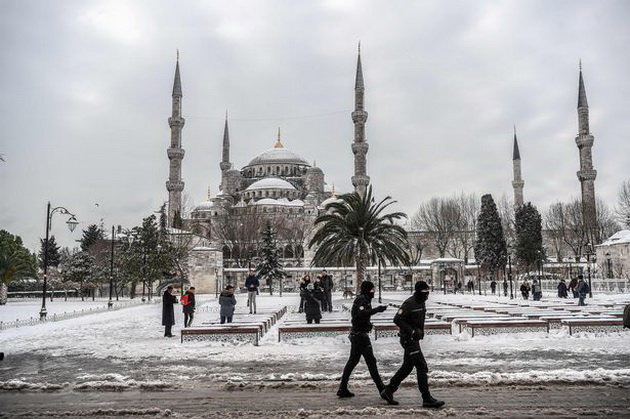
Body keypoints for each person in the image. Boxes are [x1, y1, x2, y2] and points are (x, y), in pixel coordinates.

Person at [380, 281, 444, 408]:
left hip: (414, 339)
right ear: (419, 291)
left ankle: (388, 390)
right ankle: (426, 398)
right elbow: (397, 319)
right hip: (408, 339)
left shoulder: (421, 302)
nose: (427, 295)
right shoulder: (410, 303)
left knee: (407, 367)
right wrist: (412, 331)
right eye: (424, 292)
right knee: (422, 366)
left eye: (428, 292)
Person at [337, 280, 388, 399]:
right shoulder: (362, 300)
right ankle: (382, 390)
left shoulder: (363, 299)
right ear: (366, 290)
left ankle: (342, 388)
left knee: (352, 362)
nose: (373, 292)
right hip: (360, 336)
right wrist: (377, 310)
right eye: (372, 290)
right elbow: (362, 314)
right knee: (371, 362)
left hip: (357, 335)